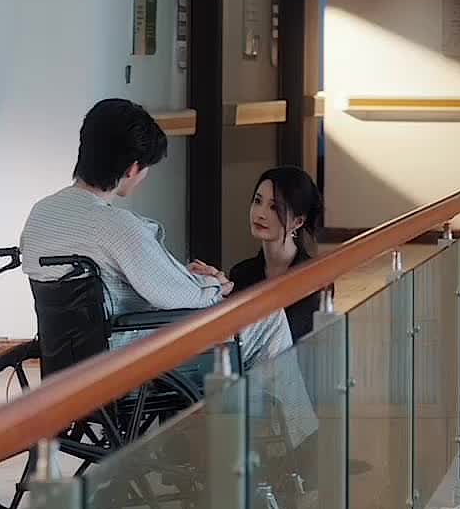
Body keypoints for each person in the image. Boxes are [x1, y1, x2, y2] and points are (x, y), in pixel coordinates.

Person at [21, 97, 304, 383]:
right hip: (127, 355)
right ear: (132, 169)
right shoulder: (116, 226)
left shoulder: (41, 213)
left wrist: (190, 281)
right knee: (269, 319)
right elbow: (175, 295)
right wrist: (215, 285)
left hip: (70, 360)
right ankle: (288, 413)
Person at [230, 167, 332, 345]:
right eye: (257, 201)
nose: (260, 214)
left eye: (274, 207)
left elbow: (295, 338)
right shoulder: (240, 273)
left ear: (298, 221)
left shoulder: (315, 278)